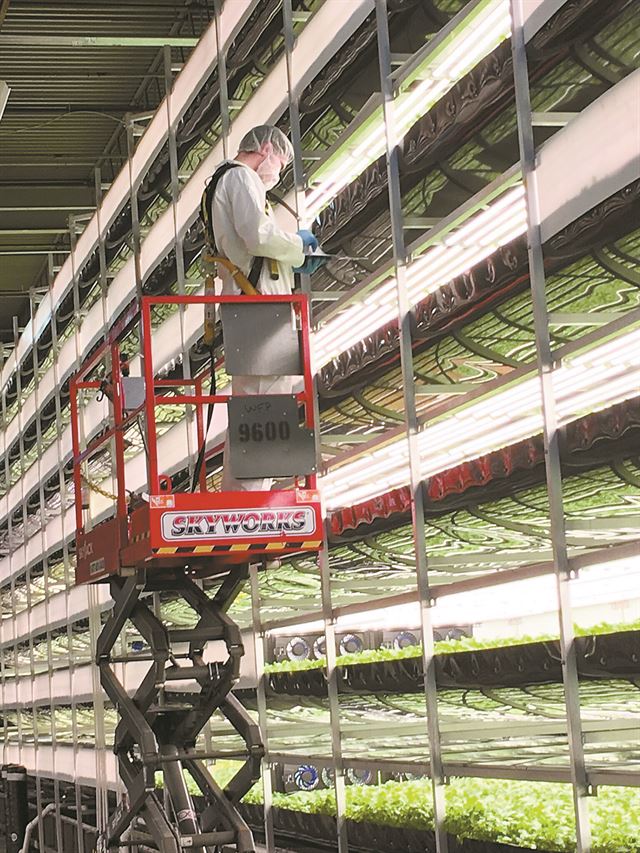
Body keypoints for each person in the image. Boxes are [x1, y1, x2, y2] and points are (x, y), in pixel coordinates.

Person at [204, 124, 323, 490]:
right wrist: (298, 247)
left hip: (250, 302)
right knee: (265, 406)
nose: (277, 173)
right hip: (258, 306)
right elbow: (257, 235)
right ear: (267, 148)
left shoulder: (224, 182)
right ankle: (249, 504)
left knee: (255, 404)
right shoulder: (241, 178)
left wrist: (289, 255)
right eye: (280, 163)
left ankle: (240, 497)